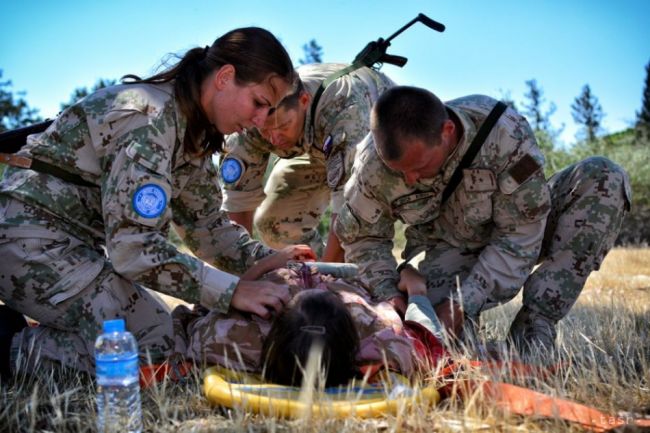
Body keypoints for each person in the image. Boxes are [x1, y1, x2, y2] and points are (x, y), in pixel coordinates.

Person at [0, 27, 315, 376]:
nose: (260, 120)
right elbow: (134, 249)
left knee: (158, 334)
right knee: (141, 347)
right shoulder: (150, 121)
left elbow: (208, 230)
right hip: (27, 238)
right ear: (225, 77)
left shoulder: (192, 131)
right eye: (258, 103)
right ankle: (8, 345)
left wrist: (272, 261)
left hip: (68, 245)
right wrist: (232, 291)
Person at [334, 86, 631, 356]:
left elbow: (520, 233)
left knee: (603, 177)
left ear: (447, 131)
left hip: (519, 228)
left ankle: (535, 324)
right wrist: (389, 295)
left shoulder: (503, 134)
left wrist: (462, 303)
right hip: (448, 249)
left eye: (420, 166)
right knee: (437, 346)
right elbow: (363, 238)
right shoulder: (372, 165)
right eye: (399, 171)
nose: (410, 178)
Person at [220, 63, 395, 261]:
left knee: (360, 239)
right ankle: (312, 277)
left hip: (379, 141)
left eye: (283, 126)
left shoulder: (346, 112)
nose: (274, 139)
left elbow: (349, 210)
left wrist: (329, 278)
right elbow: (237, 204)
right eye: (266, 132)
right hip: (314, 145)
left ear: (304, 101)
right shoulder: (251, 119)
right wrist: (243, 275)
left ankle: (364, 279)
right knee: (274, 224)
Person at [172, 263, 447, 385]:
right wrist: (416, 293)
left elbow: (208, 305)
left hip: (273, 272)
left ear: (275, 326)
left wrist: (268, 263)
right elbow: (428, 339)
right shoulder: (377, 333)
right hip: (348, 278)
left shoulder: (226, 340)